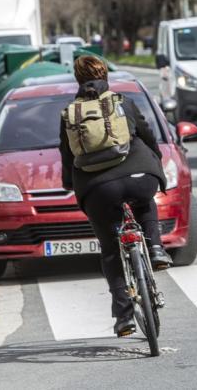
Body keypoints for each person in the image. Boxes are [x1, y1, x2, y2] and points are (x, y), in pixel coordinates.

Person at [59, 55, 172, 337]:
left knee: (111, 250)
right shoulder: (122, 102)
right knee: (145, 204)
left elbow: (66, 155)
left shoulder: (70, 114)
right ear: (105, 76)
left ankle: (124, 317)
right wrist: (154, 160)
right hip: (139, 176)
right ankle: (156, 249)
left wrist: (69, 183)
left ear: (78, 80)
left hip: (98, 189)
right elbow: (146, 134)